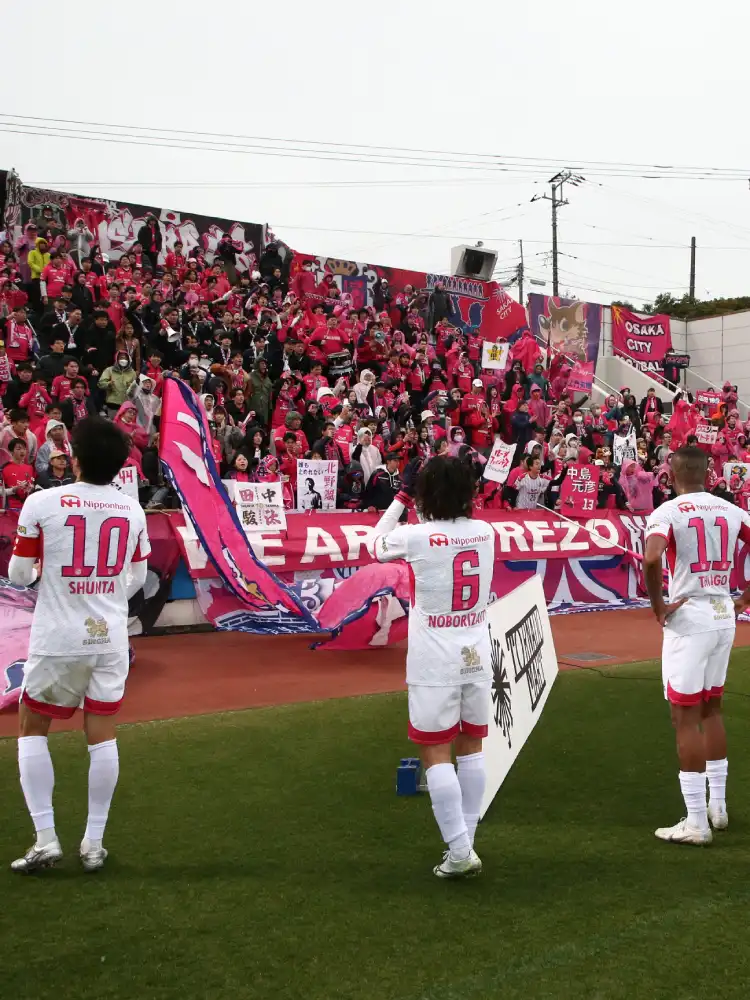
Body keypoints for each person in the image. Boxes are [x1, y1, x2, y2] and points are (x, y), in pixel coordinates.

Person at [8, 417, 151, 874]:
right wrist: (104, 598)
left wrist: (43, 582)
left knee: (32, 728)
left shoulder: (41, 502)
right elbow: (140, 579)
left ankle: (46, 838)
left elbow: (17, 575)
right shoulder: (132, 509)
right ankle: (93, 843)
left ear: (75, 457)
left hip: (57, 636)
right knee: (102, 735)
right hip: (109, 636)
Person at [370, 456, 494, 878]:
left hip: (433, 661)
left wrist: (401, 495)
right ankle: (466, 842)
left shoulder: (417, 536)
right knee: (472, 747)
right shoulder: (486, 532)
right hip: (477, 652)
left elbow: (374, 542)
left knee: (435, 751)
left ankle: (460, 851)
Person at [643, 445, 750, 846]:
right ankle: (717, 807)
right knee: (713, 709)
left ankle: (695, 822)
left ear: (670, 475)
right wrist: (745, 597)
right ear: (710, 473)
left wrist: (658, 606)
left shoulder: (667, 512)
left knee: (684, 716)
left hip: (689, 617)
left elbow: (652, 558)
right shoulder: (731, 510)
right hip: (724, 613)